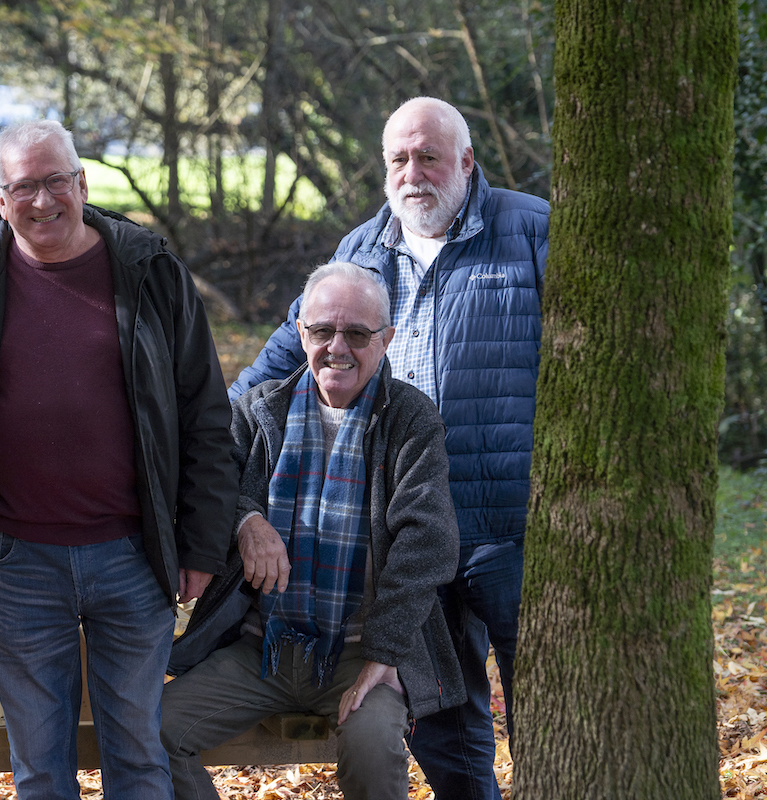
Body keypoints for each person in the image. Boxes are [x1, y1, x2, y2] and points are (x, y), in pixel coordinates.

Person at [0, 119, 238, 799]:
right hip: (16, 561)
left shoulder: (151, 272)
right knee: (39, 768)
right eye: (23, 186)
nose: (42, 199)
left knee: (138, 758)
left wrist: (202, 543)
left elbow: (205, 412)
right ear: (0, 198)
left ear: (82, 182)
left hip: (136, 557)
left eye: (56, 180)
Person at [228, 97, 549, 799]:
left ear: (466, 161)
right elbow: (282, 361)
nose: (414, 174)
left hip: (510, 529)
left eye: (429, 156)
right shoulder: (361, 251)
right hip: (405, 535)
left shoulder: (529, 231)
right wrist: (200, 444)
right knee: (443, 721)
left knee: (549, 714)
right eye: (399, 159)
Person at [162, 262, 464, 800]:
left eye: (357, 333)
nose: (337, 347)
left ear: (386, 339)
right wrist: (247, 520)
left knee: (373, 750)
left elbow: (429, 541)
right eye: (322, 331)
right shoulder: (259, 411)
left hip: (358, 654)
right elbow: (208, 487)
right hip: (261, 650)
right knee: (152, 733)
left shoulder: (412, 421)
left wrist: (386, 653)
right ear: (301, 332)